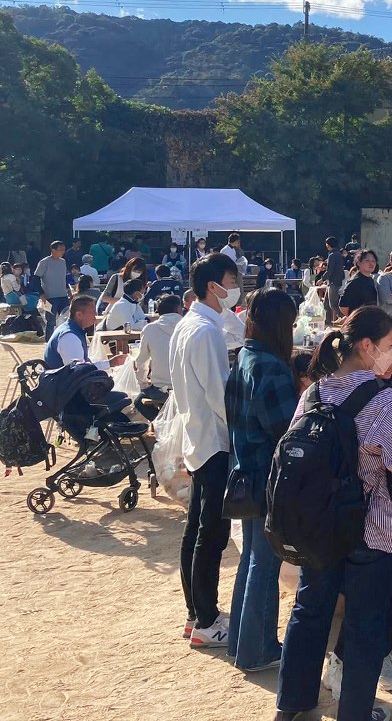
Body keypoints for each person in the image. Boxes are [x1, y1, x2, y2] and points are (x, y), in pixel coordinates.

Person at [276, 307, 392, 721]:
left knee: (309, 612)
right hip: (370, 528)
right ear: (367, 346)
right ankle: (354, 713)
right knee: (365, 624)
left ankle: (292, 707)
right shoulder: (383, 402)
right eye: (391, 345)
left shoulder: (315, 392)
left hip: (318, 524)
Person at [224, 289, 298, 672]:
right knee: (264, 564)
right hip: (267, 474)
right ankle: (257, 649)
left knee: (252, 560)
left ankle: (241, 641)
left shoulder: (245, 356)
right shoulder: (271, 367)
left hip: (244, 469)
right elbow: (286, 430)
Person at [169, 252, 240, 647]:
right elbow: (221, 396)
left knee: (196, 528)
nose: (235, 288)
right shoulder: (206, 331)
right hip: (213, 441)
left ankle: (195, 613)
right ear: (213, 286)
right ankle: (207, 622)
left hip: (196, 436)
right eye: (231, 281)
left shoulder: (188, 324)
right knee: (211, 534)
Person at [43, 295, 127, 371]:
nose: (96, 314)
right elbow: (77, 370)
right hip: (61, 382)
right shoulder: (70, 336)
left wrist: (110, 363)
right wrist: (110, 363)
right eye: (92, 311)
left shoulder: (73, 330)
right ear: (79, 315)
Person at [133, 294, 183, 417]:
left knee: (138, 401)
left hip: (160, 389)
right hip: (187, 388)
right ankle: (167, 421)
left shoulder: (150, 329)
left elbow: (141, 362)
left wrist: (143, 383)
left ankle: (160, 422)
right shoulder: (189, 327)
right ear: (178, 309)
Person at [34, 240, 70, 329]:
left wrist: (68, 289)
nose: (63, 252)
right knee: (51, 322)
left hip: (63, 295)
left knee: (66, 319)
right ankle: (49, 338)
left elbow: (64, 277)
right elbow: (35, 278)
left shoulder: (63, 262)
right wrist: (41, 293)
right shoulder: (44, 262)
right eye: (61, 250)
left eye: (64, 250)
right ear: (53, 250)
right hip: (49, 297)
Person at [339, 249, 381, 318]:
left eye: (373, 261)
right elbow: (343, 306)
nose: (371, 263)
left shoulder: (370, 279)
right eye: (367, 260)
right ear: (359, 263)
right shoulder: (355, 281)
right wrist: (355, 317)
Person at [322, 236, 345, 324]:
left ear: (328, 245)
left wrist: (322, 279)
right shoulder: (338, 254)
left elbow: (329, 270)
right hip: (336, 281)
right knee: (326, 303)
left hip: (333, 282)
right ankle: (327, 321)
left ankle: (345, 318)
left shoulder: (332, 255)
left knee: (333, 305)